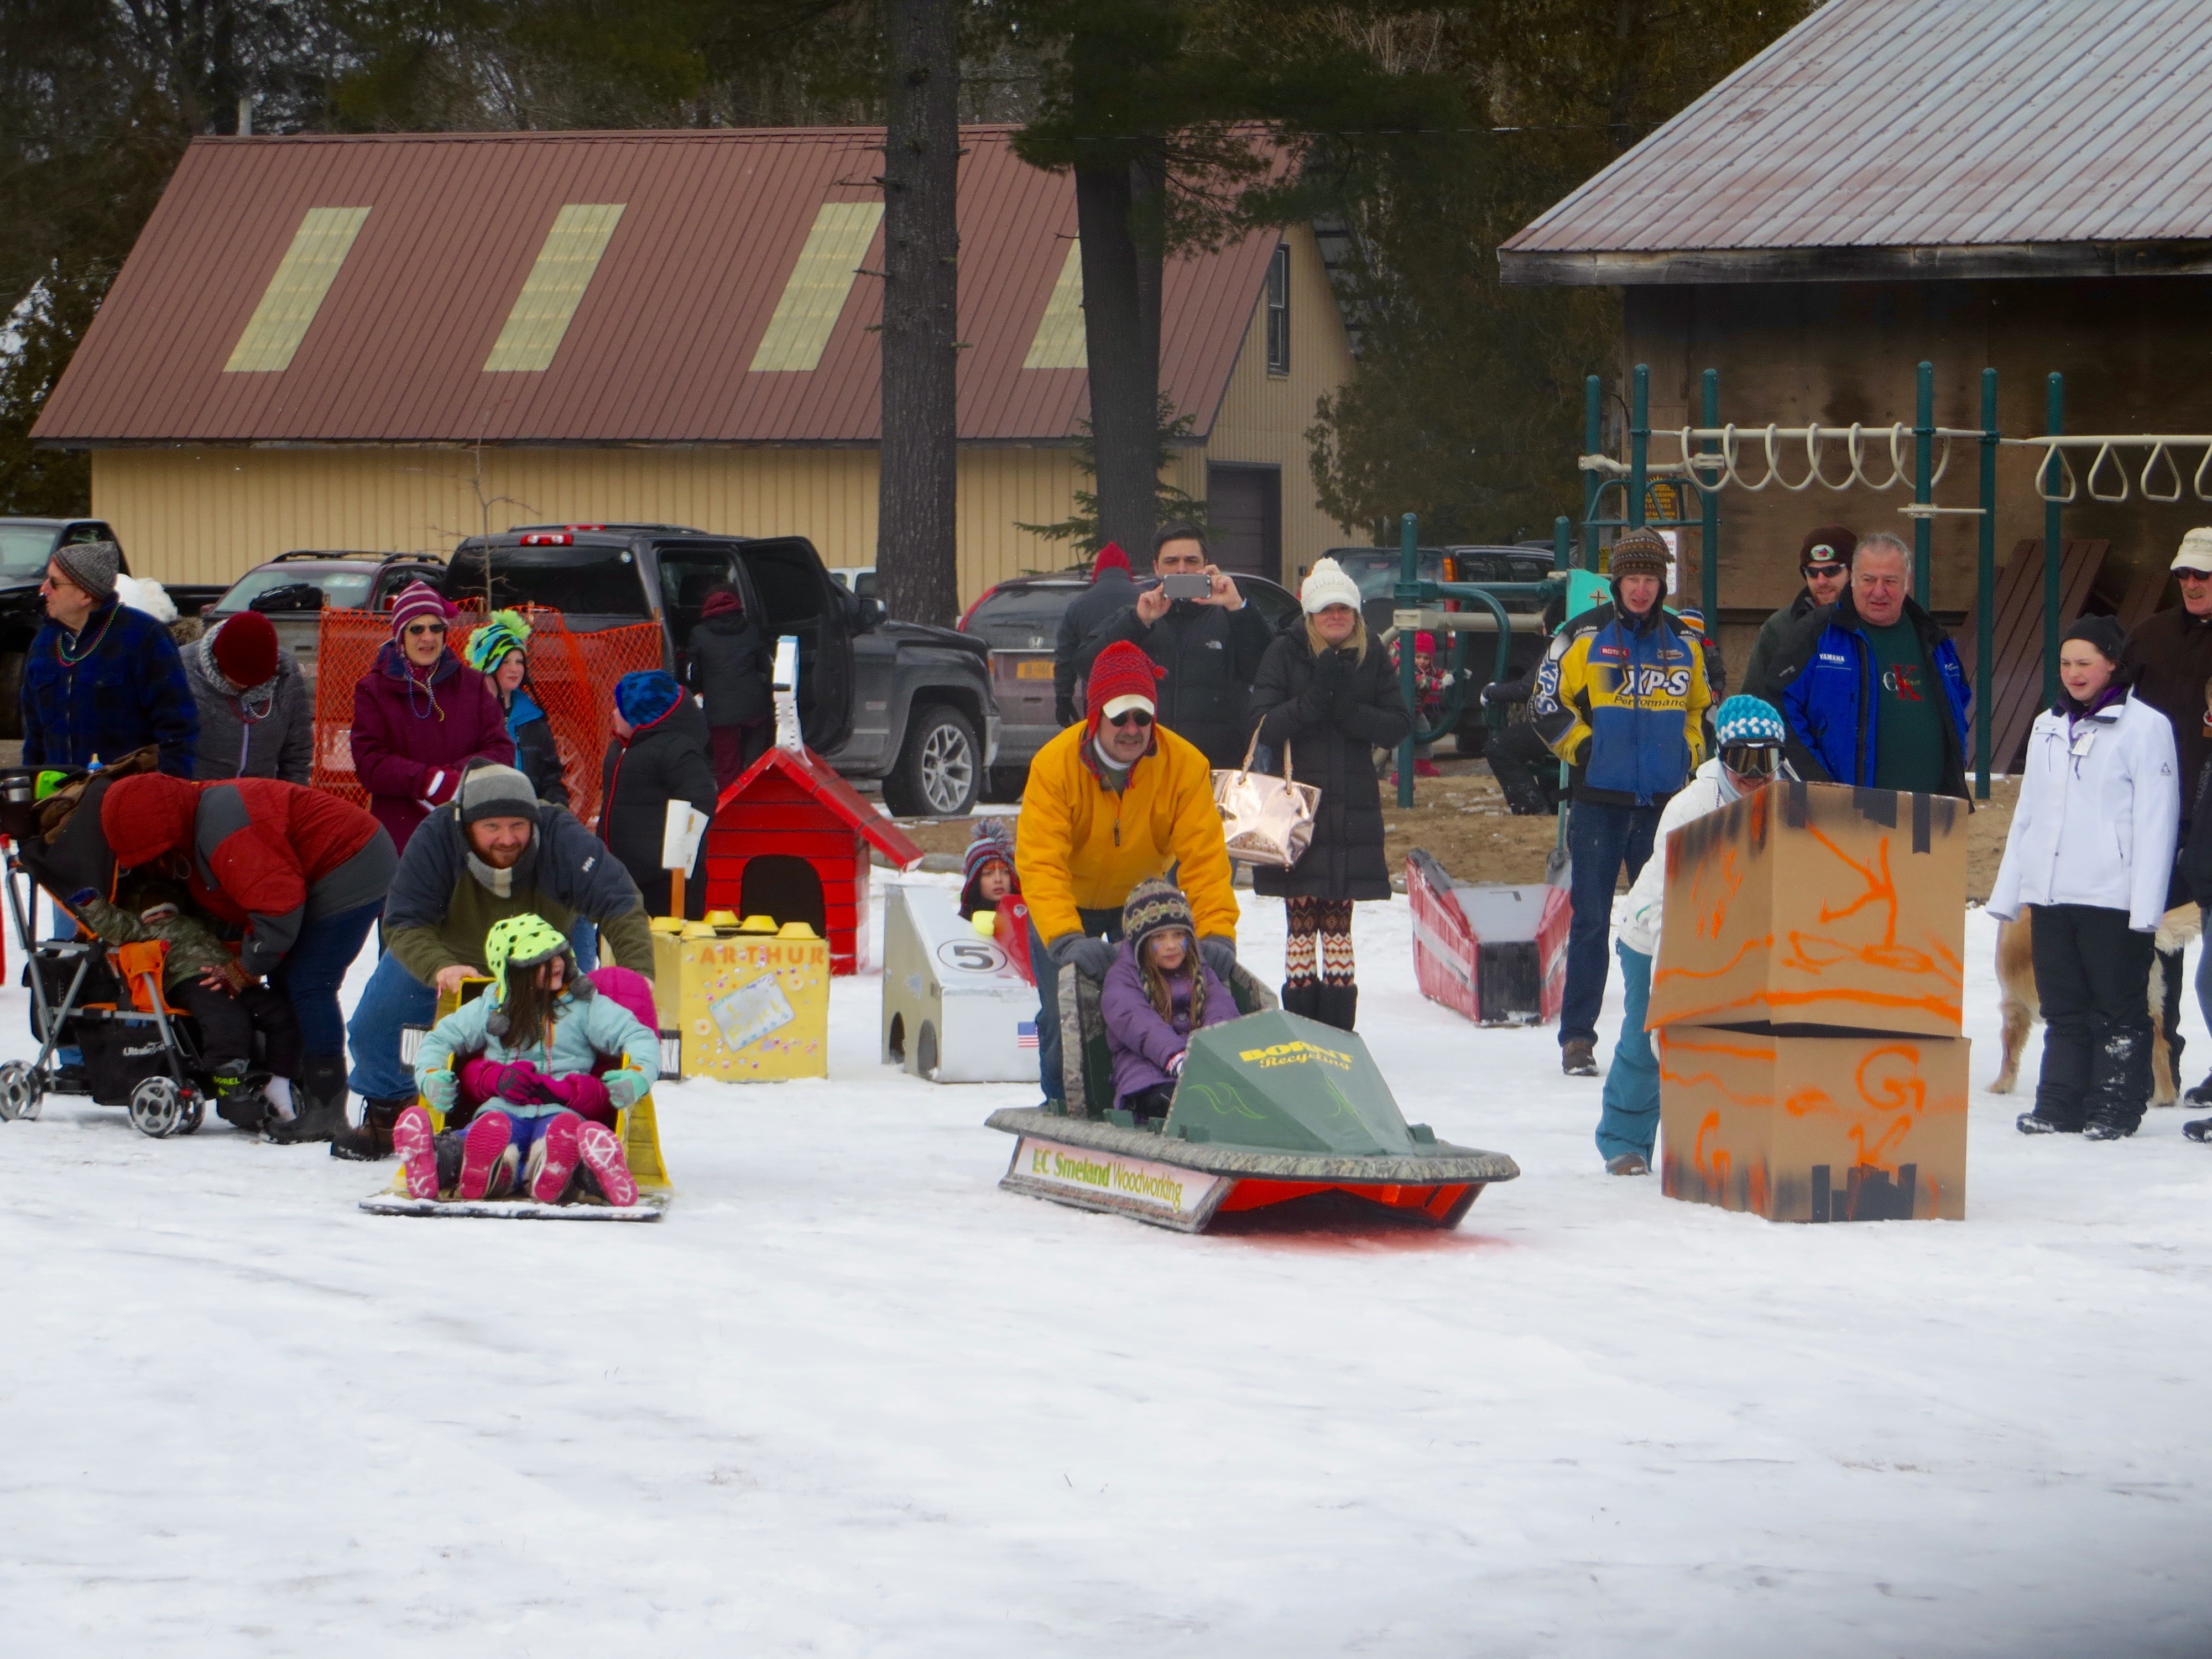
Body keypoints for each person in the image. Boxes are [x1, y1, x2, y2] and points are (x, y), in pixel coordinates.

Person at [346, 761, 657, 1160]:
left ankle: (567, 1120)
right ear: (466, 825)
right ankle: (388, 1107)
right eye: (492, 827)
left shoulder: (563, 837)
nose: (508, 839)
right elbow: (405, 921)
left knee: (575, 1028)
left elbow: (620, 903)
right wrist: (440, 966)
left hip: (547, 949)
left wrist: (637, 974)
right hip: (454, 950)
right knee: (379, 1020)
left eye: (518, 825)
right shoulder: (437, 837)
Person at [96, 771, 395, 1147]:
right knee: (288, 979)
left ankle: (327, 1111)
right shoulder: (201, 816)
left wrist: (242, 969)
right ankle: (297, 1085)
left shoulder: (225, 831)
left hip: (350, 865)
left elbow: (278, 907)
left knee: (310, 983)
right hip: (335, 862)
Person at [1016, 639, 1239, 1106]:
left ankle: (1147, 1098)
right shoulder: (1053, 767)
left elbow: (1204, 857)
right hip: (1067, 902)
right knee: (1063, 1010)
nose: (1132, 729)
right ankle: (1061, 1105)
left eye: (1143, 717)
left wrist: (1217, 931)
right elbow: (1041, 859)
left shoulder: (1185, 766)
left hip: (1141, 907)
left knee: (1160, 1001)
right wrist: (1064, 938)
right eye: (1120, 717)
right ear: (1096, 716)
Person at [1987, 616, 2179, 1140]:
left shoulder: (2146, 728)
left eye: (2085, 663)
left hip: (2111, 896)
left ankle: (2115, 1106)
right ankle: (2060, 1103)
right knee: (2064, 1006)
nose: (2074, 674)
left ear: (2112, 664)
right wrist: (2010, 894)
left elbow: (2157, 820)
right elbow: (2028, 812)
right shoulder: (2047, 725)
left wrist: (2145, 906)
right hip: (2051, 894)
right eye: (2067, 664)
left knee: (2118, 1007)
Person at [1531, 528, 1713, 1077]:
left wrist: (1687, 755)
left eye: (1651, 578)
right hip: (1597, 804)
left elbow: (1703, 707)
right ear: (1616, 582)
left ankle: (1670, 1030)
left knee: (1669, 923)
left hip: (1662, 807)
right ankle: (1577, 1039)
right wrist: (1585, 749)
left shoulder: (1685, 640)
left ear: (1662, 583)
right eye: (1632, 578)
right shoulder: (1580, 634)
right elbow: (1543, 702)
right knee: (1590, 921)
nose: (1641, 589)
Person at [1603, 696, 1790, 1175]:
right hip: (1657, 932)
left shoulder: (1789, 798)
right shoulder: (1693, 808)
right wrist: (1672, 987)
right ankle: (1625, 1141)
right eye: (1740, 761)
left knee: (1729, 1040)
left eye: (1765, 760)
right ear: (1721, 757)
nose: (1754, 776)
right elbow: (1670, 899)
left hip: (1734, 936)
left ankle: (1722, 1140)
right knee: (1648, 1038)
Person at [1247, 556, 1411, 1031]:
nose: (1335, 616)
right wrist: (1315, 701)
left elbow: (1398, 724)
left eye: (1344, 608)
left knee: (1338, 927)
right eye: (1326, 609)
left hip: (1351, 812)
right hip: (1294, 809)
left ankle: (1339, 1033)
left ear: (1357, 613)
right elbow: (1263, 724)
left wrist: (1347, 710)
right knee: (1301, 925)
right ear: (1310, 614)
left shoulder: (1371, 654)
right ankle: (1302, 1030)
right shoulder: (1284, 653)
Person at [395, 914, 654, 1206]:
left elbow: (638, 1035)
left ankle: (569, 1168)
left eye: (559, 953)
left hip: (562, 1108)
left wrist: (638, 1074)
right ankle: (443, 1162)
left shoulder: (585, 1005)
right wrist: (431, 1075)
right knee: (489, 1131)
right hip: (504, 1108)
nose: (557, 963)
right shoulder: (492, 1006)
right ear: (515, 973)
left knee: (562, 1134)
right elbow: (441, 1039)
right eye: (543, 961)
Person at [72, 873, 306, 1134]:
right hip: (186, 979)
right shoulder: (139, 929)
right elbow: (112, 923)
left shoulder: (196, 922)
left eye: (166, 911)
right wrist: (91, 903)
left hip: (226, 975)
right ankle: (227, 1080)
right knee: (225, 1016)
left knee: (277, 1011)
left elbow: (222, 919)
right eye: (154, 914)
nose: (161, 917)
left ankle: (281, 1077)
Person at [1751, 533, 1970, 799]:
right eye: (1869, 580)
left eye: (1890, 581)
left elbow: (1959, 700)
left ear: (1907, 584)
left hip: (1931, 811)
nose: (1879, 591)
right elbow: (1778, 707)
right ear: (1853, 580)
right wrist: (1821, 785)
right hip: (1845, 812)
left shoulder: (1933, 638)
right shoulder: (1817, 633)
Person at [2121, 528, 2212, 1105]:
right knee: (2153, 946)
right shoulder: (2149, 635)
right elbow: (2114, 710)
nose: (2192, 584)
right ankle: (2158, 1066)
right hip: (2158, 819)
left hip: (2211, 816)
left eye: (2203, 574)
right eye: (2184, 574)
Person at [1074, 521, 1274, 768]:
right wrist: (1137, 623)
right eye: (1171, 562)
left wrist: (1237, 607)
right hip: (1146, 765)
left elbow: (1267, 673)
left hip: (1216, 766)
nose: (1181, 570)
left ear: (1207, 566)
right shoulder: (1136, 617)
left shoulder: (1231, 615)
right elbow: (1087, 667)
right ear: (1157, 568)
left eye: (1191, 561)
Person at [350, 581, 514, 852]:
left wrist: (458, 779)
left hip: (467, 830)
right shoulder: (373, 690)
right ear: (400, 635)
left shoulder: (473, 685)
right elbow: (371, 763)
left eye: (435, 628)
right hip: (404, 837)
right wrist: (428, 781)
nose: (428, 638)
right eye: (417, 629)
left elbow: (502, 749)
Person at [21, 539, 197, 778]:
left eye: (54, 582)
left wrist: (170, 790)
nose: (44, 589)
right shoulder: (45, 641)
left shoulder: (144, 636)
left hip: (126, 796)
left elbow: (178, 727)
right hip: (56, 798)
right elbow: (34, 734)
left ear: (84, 594)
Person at [1099, 877, 1237, 1122]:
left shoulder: (1199, 969)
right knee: (1172, 1100)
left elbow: (1220, 1005)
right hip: (1146, 1069)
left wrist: (1213, 1045)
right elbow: (1137, 1022)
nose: (1171, 946)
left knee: (1229, 1095)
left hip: (1202, 1065)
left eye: (1178, 935)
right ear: (1142, 943)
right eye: (1159, 938)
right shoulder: (1123, 977)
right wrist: (1176, 1057)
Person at [599, 670, 718, 921]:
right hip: (621, 873)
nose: (613, 713)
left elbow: (701, 798)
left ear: (641, 716)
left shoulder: (676, 750)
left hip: (665, 880)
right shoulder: (620, 748)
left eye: (620, 708)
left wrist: (676, 853)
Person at [184, 610, 312, 785]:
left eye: (255, 682)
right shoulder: (183, 670)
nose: (245, 687)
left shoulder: (286, 675)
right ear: (218, 662)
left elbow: (297, 750)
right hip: (198, 794)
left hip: (261, 795)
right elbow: (166, 746)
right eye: (236, 679)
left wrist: (293, 799)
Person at [463, 609, 568, 808]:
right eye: (506, 661)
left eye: (519, 662)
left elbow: (551, 777)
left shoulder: (532, 718)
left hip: (525, 821)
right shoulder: (464, 716)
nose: (515, 669)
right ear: (487, 664)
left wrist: (556, 805)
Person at [1741, 526, 1856, 693]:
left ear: (1853, 572)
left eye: (1832, 571)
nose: (1821, 581)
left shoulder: (1872, 620)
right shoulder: (1779, 628)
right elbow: (1753, 699)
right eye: (1812, 572)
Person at [686, 586, 771, 791]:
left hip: (719, 709)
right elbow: (766, 666)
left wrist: (699, 690)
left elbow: (692, 672)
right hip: (754, 706)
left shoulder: (699, 634)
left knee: (726, 764)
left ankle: (731, 803)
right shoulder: (752, 629)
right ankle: (754, 796)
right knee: (755, 760)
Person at [1054, 543, 1139, 728]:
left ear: (1098, 571)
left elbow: (1066, 657)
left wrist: (1064, 697)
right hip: (1141, 693)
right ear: (1127, 570)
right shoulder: (1145, 600)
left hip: (1096, 693)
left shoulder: (1079, 605)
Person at [959, 819, 1019, 920]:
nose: (998, 879)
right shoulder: (960, 926)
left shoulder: (1031, 921)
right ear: (975, 880)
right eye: (988, 873)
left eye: (1005, 872)